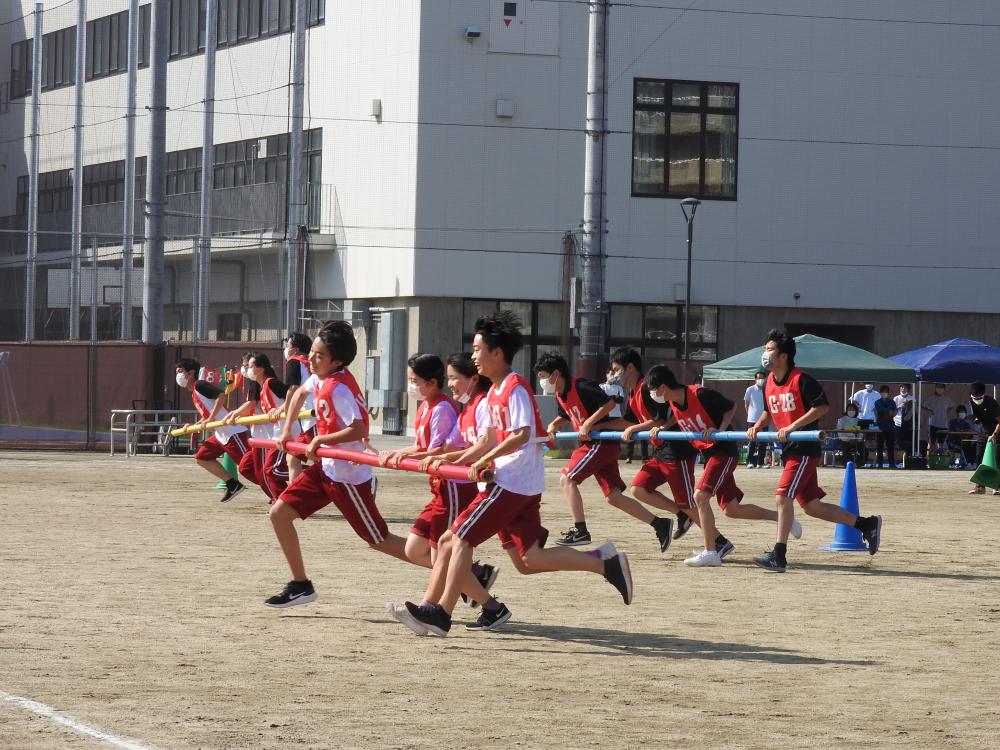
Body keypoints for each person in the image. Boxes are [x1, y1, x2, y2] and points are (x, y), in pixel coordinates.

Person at [392, 310, 634, 637]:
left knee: (457, 537)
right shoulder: (493, 392)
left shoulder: (514, 387)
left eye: (478, 350)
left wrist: (484, 460)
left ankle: (438, 612)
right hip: (518, 482)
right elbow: (489, 440)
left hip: (511, 481)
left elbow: (521, 434)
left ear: (497, 352)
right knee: (528, 559)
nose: (474, 356)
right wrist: (455, 458)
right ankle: (605, 563)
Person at [264, 321, 416, 608]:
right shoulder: (321, 377)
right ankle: (301, 584)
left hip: (348, 476)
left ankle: (461, 571)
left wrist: (322, 440)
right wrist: (287, 431)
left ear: (337, 361)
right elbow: (298, 395)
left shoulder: (339, 387)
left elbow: (359, 429)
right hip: (325, 470)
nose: (312, 358)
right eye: (313, 352)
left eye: (319, 356)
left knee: (379, 540)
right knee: (279, 515)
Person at [749, 329, 881, 572]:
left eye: (770, 350)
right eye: (765, 349)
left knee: (782, 497)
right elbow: (769, 409)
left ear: (784, 356)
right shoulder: (768, 382)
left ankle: (779, 554)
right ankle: (866, 524)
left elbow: (821, 407)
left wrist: (793, 425)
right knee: (811, 507)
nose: (765, 354)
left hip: (804, 448)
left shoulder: (801, 379)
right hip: (788, 447)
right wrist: (758, 425)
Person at [646, 365, 801, 566]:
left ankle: (711, 552)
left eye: (653, 389)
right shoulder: (674, 404)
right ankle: (783, 519)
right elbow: (678, 418)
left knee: (700, 496)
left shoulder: (699, 394)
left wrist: (718, 429)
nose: (652, 394)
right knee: (732, 509)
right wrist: (661, 428)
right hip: (710, 455)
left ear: (663, 388)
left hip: (723, 452)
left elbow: (730, 407)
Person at [378, 353, 497, 608]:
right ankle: (476, 577)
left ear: (431, 382)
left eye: (414, 381)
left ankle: (443, 607)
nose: (410, 386)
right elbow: (426, 447)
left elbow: (440, 449)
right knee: (415, 550)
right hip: (439, 486)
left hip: (453, 486)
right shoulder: (428, 407)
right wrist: (398, 454)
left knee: (441, 554)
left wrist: (418, 457)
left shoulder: (446, 408)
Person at [534, 351, 675, 552]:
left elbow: (609, 403)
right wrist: (553, 425)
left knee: (567, 479)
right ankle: (659, 524)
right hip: (596, 445)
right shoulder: (560, 395)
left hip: (599, 443)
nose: (542, 382)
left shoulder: (581, 385)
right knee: (613, 496)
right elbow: (566, 414)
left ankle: (580, 530)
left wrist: (589, 423)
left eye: (542, 376)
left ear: (556, 374)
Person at [176, 357, 250, 503]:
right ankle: (232, 484)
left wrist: (211, 418)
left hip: (231, 432)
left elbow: (221, 396)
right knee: (202, 457)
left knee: (249, 468)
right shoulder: (194, 393)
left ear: (191, 373)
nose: (177, 375)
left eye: (180, 371)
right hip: (220, 434)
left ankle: (278, 493)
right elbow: (207, 416)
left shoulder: (199, 385)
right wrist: (192, 426)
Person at [224, 352, 290, 503]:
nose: (245, 369)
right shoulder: (261, 385)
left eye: (249, 366)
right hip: (264, 433)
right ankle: (280, 495)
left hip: (275, 432)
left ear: (260, 368)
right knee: (250, 469)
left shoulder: (269, 383)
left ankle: (281, 498)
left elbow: (293, 395)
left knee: (268, 470)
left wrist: (234, 413)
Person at [272, 333, 319, 483]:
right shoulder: (310, 364)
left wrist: (285, 409)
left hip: (312, 418)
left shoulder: (294, 361)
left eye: (288, 346)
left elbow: (293, 389)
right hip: (307, 419)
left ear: (296, 349)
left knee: (324, 461)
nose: (286, 349)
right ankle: (294, 494)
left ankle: (366, 482)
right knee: (292, 457)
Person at [611, 347, 649, 464]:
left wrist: (632, 428)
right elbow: (627, 421)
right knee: (638, 483)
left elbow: (659, 421)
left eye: (617, 370)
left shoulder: (646, 387)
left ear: (630, 368)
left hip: (675, 450)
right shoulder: (632, 392)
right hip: (662, 451)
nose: (615, 376)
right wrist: (594, 425)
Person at [968, 382, 1000, 495]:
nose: (977, 399)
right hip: (983, 431)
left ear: (984, 394)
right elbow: (977, 414)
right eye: (975, 397)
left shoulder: (991, 403)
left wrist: (995, 434)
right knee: (979, 457)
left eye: (979, 397)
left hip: (997, 432)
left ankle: (996, 487)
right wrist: (977, 419)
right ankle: (980, 486)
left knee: (996, 459)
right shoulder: (972, 401)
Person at [851, 382, 880, 465]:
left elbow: (877, 406)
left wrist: (876, 419)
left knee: (868, 441)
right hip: (860, 419)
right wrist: (858, 406)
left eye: (870, 383)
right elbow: (852, 401)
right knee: (859, 439)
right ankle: (860, 457)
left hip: (871, 419)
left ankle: (865, 458)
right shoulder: (860, 393)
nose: (869, 385)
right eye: (867, 383)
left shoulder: (877, 394)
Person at [743, 370, 767, 467]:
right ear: (755, 379)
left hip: (764, 419)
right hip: (752, 419)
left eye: (762, 378)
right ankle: (750, 461)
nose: (760, 380)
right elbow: (746, 403)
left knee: (763, 441)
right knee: (751, 440)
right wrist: (749, 415)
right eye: (758, 378)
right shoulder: (750, 389)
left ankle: (760, 462)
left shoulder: (767, 389)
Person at [921, 384, 953, 448]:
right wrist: (929, 409)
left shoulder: (947, 398)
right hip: (933, 423)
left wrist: (946, 411)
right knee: (931, 442)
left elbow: (951, 406)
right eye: (938, 387)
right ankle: (929, 457)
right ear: (935, 388)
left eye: (941, 388)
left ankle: (939, 456)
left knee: (941, 443)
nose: (940, 389)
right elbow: (922, 405)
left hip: (943, 424)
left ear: (944, 389)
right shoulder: (931, 398)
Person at [873, 386, 898, 469]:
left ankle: (892, 464)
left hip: (890, 426)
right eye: (883, 391)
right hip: (880, 427)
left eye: (886, 391)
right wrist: (888, 412)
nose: (885, 393)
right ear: (880, 393)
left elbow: (894, 412)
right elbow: (881, 410)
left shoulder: (892, 402)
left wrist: (887, 412)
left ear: (888, 393)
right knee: (879, 446)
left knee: (891, 446)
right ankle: (880, 464)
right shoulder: (877, 402)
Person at [894, 384, 914, 459]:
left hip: (908, 424)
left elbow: (913, 411)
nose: (903, 389)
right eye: (901, 387)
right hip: (897, 423)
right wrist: (899, 406)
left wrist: (908, 406)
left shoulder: (912, 398)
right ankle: (894, 461)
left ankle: (907, 459)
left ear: (908, 389)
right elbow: (893, 410)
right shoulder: (896, 398)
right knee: (897, 442)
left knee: (907, 442)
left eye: (905, 387)